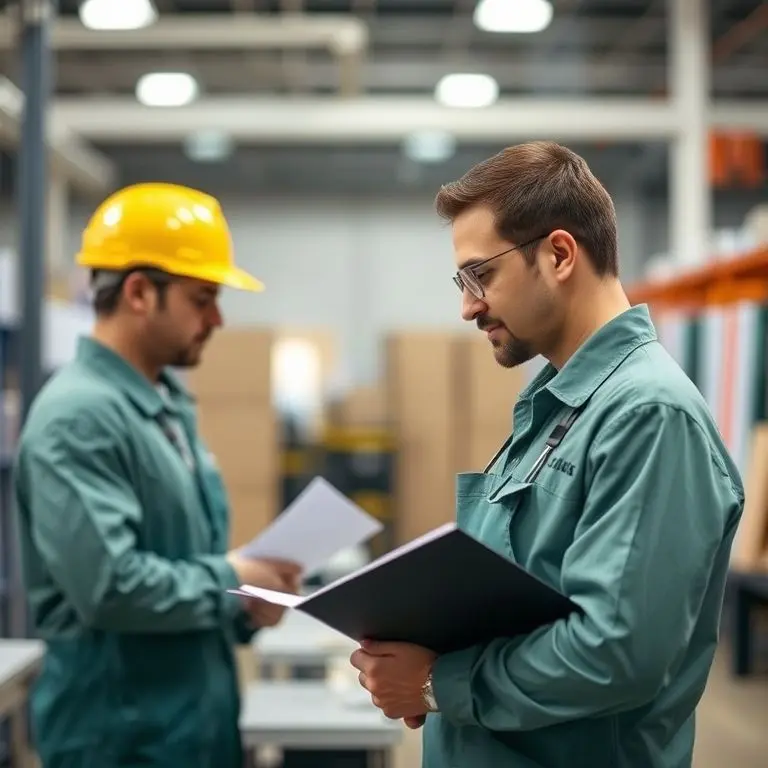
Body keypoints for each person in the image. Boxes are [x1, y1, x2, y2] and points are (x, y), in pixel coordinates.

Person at [350, 142, 744, 767]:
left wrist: (437, 682)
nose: (468, 305)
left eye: (481, 275)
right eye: (462, 281)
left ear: (559, 254)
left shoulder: (647, 416)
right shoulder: (557, 406)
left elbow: (616, 653)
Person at [13, 182, 301, 768]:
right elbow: (110, 586)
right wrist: (228, 576)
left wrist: (243, 601)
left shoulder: (163, 402)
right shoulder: (80, 417)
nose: (217, 318)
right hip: (121, 738)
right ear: (141, 292)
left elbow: (176, 559)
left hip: (190, 725)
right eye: (202, 297)